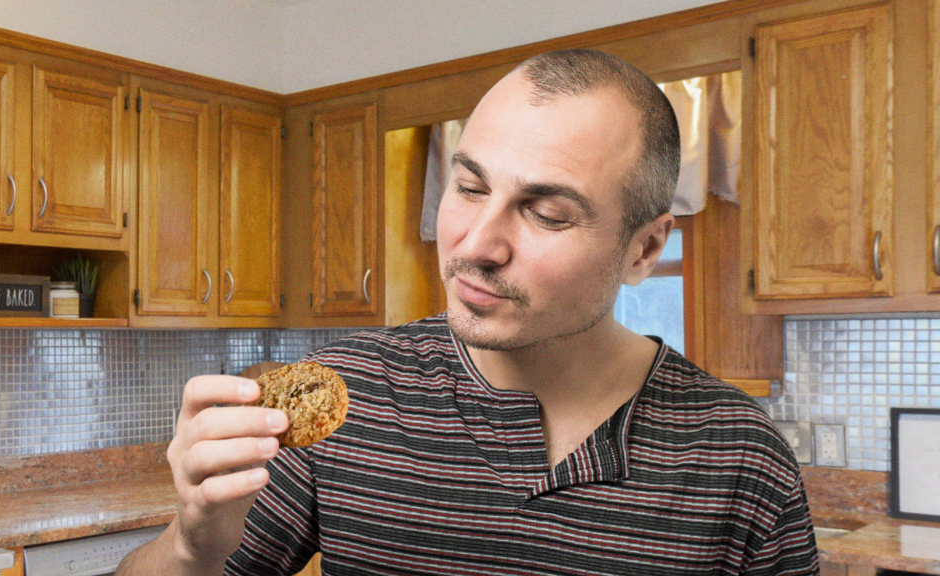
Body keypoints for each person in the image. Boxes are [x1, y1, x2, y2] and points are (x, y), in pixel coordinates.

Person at [117, 49, 819, 576]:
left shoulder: (742, 458)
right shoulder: (348, 393)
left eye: (545, 213)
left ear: (645, 249)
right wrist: (188, 544)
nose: (476, 246)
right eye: (468, 187)